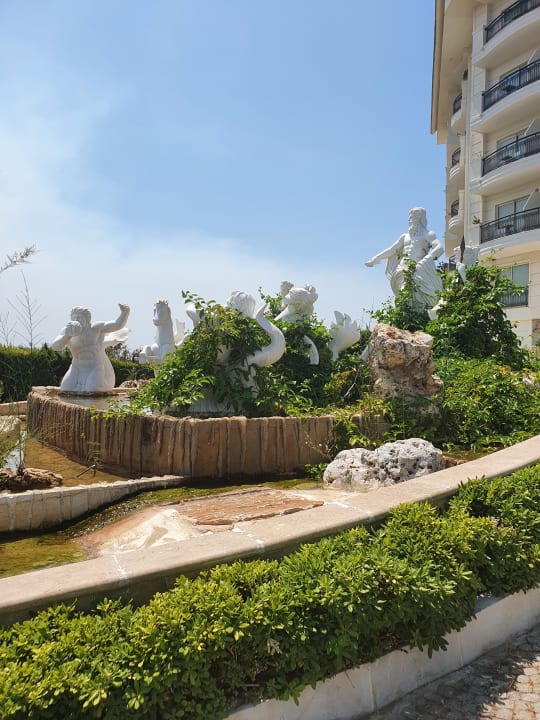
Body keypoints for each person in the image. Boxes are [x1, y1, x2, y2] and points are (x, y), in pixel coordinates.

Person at [365, 207, 443, 308]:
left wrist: (425, 261)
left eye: (412, 218)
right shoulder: (405, 236)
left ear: (420, 219)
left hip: (418, 270)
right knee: (404, 294)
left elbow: (439, 248)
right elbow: (392, 250)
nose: (410, 221)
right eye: (409, 219)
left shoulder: (427, 234)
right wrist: (376, 258)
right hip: (402, 270)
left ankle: (412, 314)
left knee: (417, 298)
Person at [52, 303, 130, 392]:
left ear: (87, 319)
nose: (76, 320)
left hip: (94, 368)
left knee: (92, 390)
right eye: (74, 317)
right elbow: (55, 347)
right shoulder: (67, 331)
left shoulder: (96, 328)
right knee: (65, 389)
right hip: (76, 368)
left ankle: (101, 384)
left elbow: (117, 325)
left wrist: (124, 313)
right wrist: (67, 335)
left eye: (79, 317)